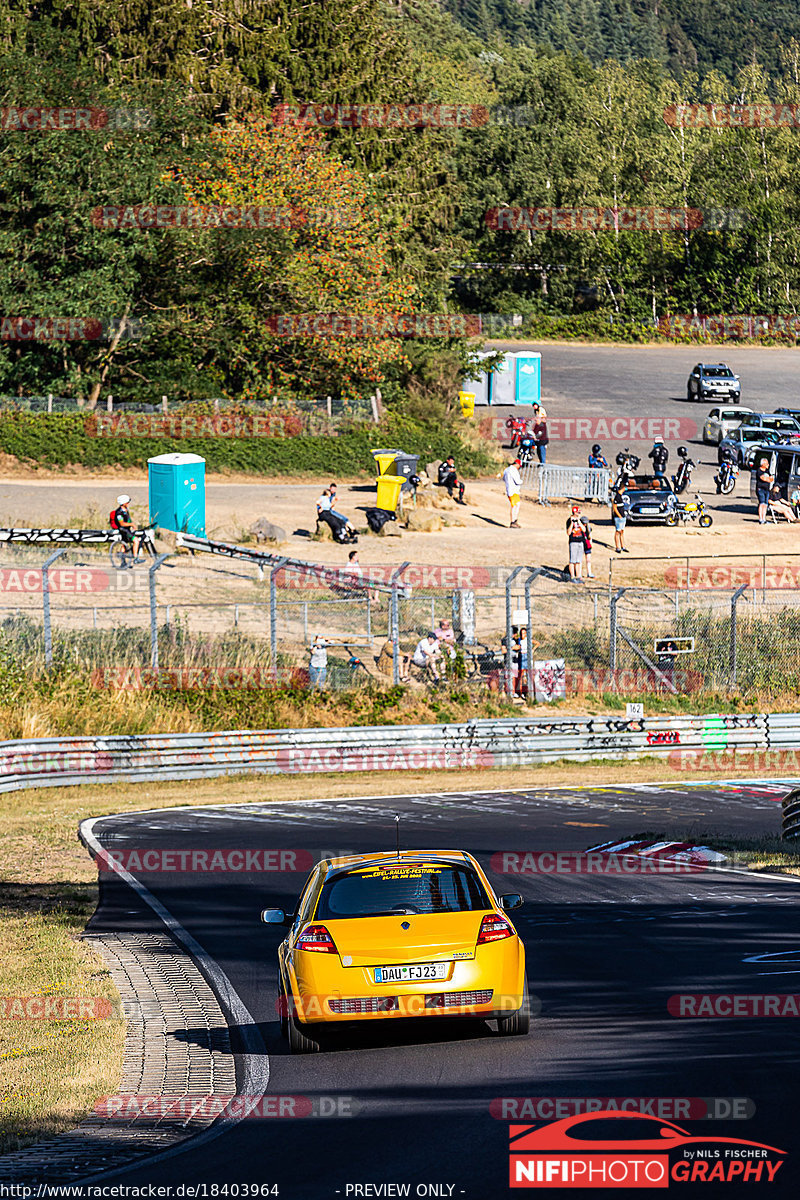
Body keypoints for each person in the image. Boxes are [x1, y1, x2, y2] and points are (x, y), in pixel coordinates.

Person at [111, 495, 144, 560]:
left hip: (127, 530)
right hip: (124, 530)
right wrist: (131, 524)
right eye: (127, 502)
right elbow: (122, 523)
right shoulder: (119, 512)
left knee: (124, 544)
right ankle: (135, 558)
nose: (128, 504)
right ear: (123, 503)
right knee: (136, 541)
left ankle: (122, 561)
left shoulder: (125, 510)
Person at [566, 505, 589, 581]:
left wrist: (578, 521)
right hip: (573, 542)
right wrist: (572, 523)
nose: (579, 513)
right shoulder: (569, 521)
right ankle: (572, 575)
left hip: (580, 542)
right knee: (572, 560)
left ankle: (578, 575)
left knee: (579, 560)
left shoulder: (580, 520)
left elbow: (584, 530)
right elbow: (568, 532)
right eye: (577, 512)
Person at [501, 458, 523, 528]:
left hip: (510, 490)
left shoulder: (507, 470)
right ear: (517, 464)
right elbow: (517, 481)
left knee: (517, 505)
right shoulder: (513, 470)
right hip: (513, 490)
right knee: (515, 506)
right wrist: (521, 481)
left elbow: (503, 478)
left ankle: (515, 520)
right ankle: (513, 521)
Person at [756, 458, 773, 524]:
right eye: (766, 464)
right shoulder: (759, 471)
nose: (768, 465)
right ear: (763, 464)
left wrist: (767, 479)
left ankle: (764, 518)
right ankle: (760, 519)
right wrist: (767, 479)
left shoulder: (767, 471)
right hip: (761, 489)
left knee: (765, 504)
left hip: (767, 489)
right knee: (762, 503)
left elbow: (771, 479)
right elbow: (762, 478)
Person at [611, 487, 629, 553]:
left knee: (622, 532)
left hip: (622, 517)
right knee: (617, 532)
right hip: (619, 518)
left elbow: (624, 489)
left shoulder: (619, 495)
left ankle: (622, 546)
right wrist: (619, 516)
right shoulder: (616, 497)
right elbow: (614, 508)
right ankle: (617, 547)